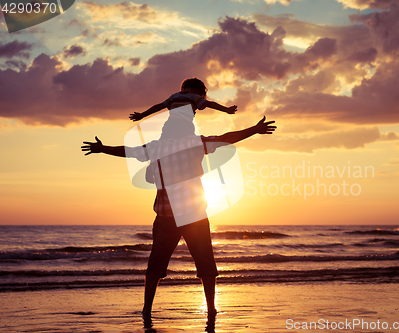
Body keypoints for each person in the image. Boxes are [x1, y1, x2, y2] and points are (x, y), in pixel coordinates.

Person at [81, 115, 276, 331]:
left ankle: (147, 309)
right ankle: (211, 308)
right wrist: (255, 129)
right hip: (194, 215)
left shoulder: (156, 148)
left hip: (166, 215)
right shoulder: (195, 143)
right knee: (205, 264)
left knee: (156, 264)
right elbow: (227, 138)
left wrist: (103, 148)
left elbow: (129, 151)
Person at [128, 77, 237, 122]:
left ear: (183, 88)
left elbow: (158, 107)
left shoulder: (174, 96)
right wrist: (226, 110)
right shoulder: (195, 97)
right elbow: (210, 104)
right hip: (185, 126)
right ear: (200, 91)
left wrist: (142, 115)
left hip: (170, 127)